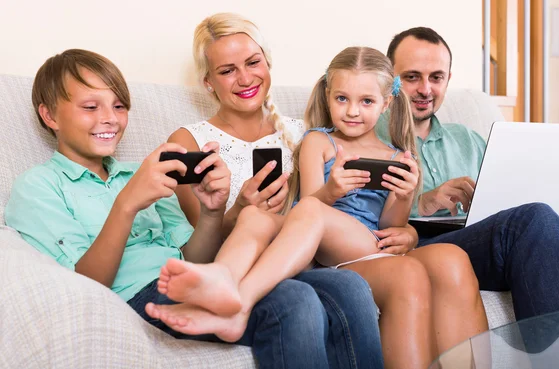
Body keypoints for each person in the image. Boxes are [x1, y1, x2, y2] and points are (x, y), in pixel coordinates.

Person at [4, 49, 384, 369]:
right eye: (91, 106)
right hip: (140, 291)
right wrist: (126, 205)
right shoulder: (38, 187)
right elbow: (84, 284)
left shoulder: (141, 173)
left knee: (346, 285)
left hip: (194, 276)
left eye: (119, 106)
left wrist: (213, 212)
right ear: (50, 116)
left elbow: (195, 256)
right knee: (294, 300)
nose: (110, 118)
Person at [164, 14, 488, 367]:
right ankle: (225, 292)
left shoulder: (302, 130)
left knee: (453, 258)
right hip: (309, 243)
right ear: (208, 81)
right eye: (227, 70)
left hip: (348, 237)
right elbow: (306, 205)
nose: (244, 77)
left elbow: (388, 221)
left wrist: (408, 220)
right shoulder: (315, 138)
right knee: (263, 215)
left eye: (253, 62)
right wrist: (241, 206)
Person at [377, 26, 559, 321]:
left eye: (436, 77)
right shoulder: (371, 138)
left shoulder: (468, 138)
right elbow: (359, 218)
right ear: (389, 79)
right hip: (427, 248)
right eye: (412, 77)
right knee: (535, 219)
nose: (426, 89)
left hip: (509, 243)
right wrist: (423, 202)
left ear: (448, 80)